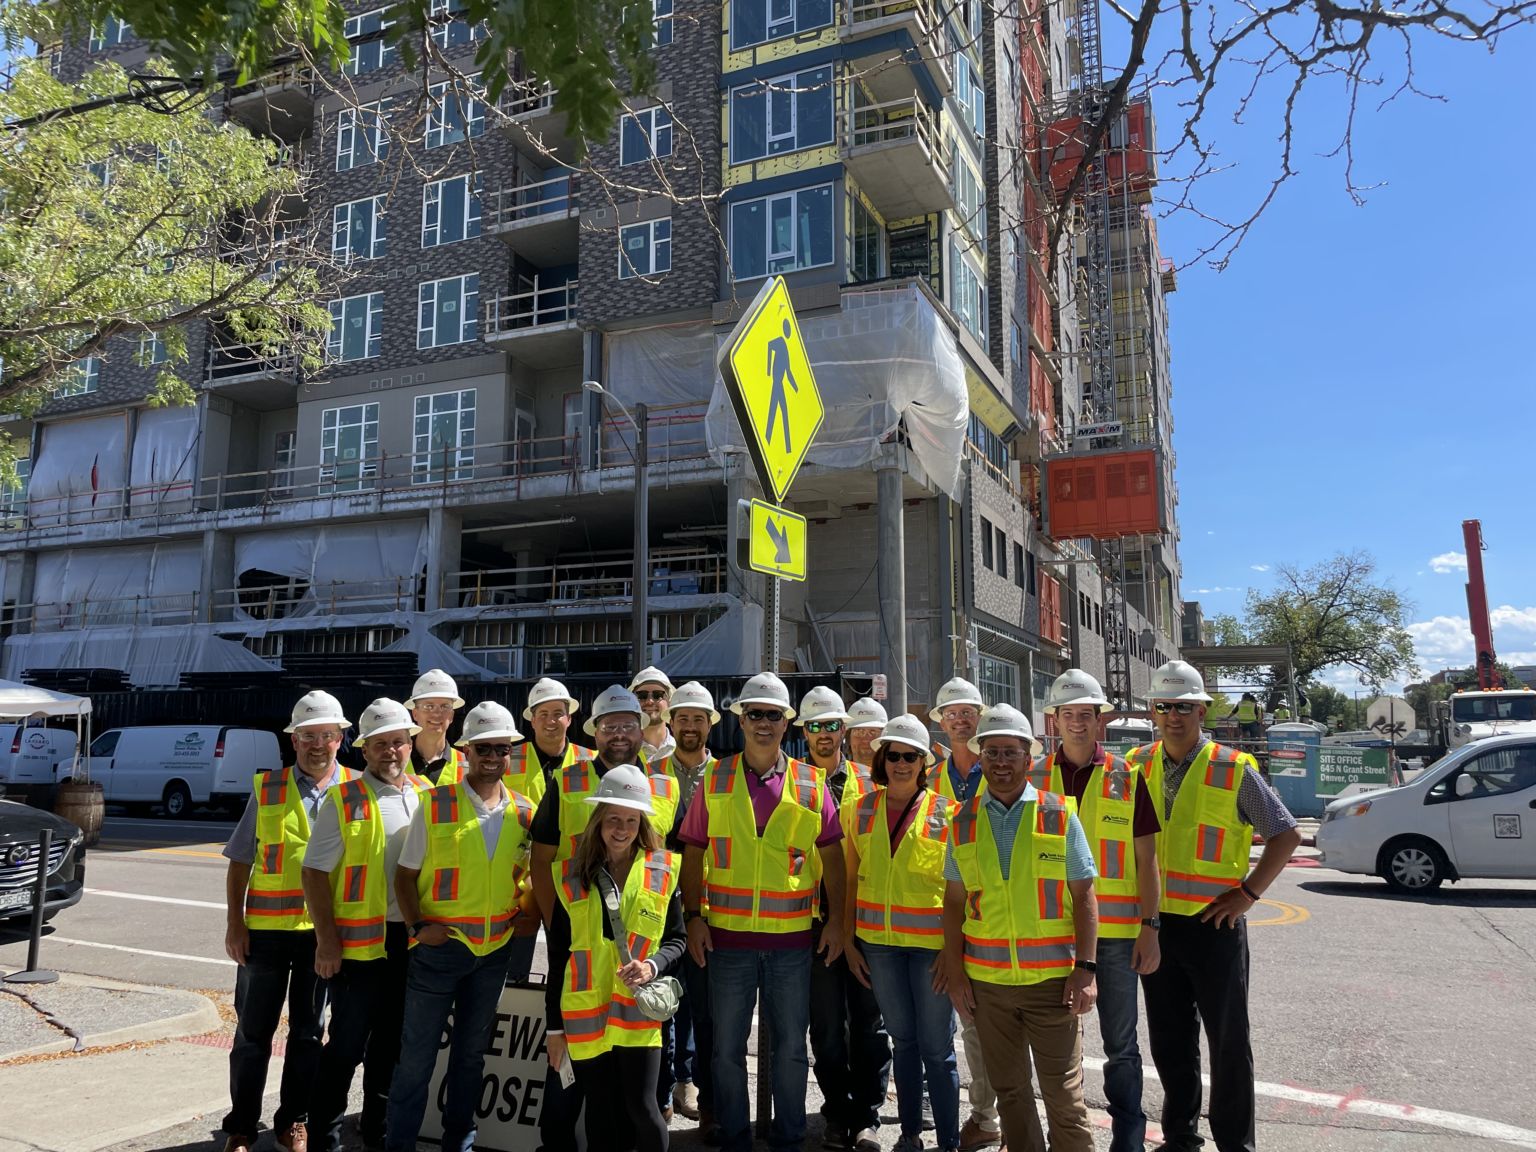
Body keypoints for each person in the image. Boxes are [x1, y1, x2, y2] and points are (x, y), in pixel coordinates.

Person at [1135, 661, 1302, 1152]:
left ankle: (1235, 1144)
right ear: (1152, 710)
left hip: (1214, 926)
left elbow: (1286, 834)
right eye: (1164, 706)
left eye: (1184, 706)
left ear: (1203, 710)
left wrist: (1248, 894)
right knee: (1169, 1040)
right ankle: (1180, 1136)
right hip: (1156, 923)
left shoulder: (1233, 769)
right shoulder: (1136, 765)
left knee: (1228, 1042)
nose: (1173, 715)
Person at [679, 672, 847, 1152]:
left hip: (793, 944)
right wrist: (694, 916)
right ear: (742, 720)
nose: (764, 723)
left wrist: (836, 921)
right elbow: (692, 852)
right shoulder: (715, 778)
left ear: (787, 724)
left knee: (793, 1050)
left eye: (773, 715)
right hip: (727, 941)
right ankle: (734, 1138)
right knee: (726, 1051)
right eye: (755, 714)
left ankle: (790, 1137)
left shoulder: (811, 783)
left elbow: (833, 858)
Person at [531, 686, 687, 1152]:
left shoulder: (661, 861)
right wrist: (554, 1028)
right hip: (585, 1005)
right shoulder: (570, 872)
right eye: (611, 820)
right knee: (596, 1107)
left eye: (631, 821)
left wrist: (654, 966)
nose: (621, 828)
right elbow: (558, 951)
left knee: (642, 1107)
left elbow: (672, 932)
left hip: (637, 1008)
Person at [942, 704, 1100, 1152]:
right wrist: (956, 974)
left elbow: (1084, 895)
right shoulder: (964, 821)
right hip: (988, 986)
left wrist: (1086, 969)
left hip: (1053, 985)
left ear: (1028, 758)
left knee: (1064, 1099)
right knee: (1011, 1095)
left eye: (1011, 752)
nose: (1001, 762)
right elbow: (953, 905)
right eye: (992, 752)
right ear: (982, 758)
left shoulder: (1058, 815)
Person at [383, 711, 540, 1152]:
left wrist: (529, 914)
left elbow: (527, 878)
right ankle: (400, 1145)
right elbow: (404, 877)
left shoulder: (526, 811)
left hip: (493, 954)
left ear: (511, 753)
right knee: (416, 1059)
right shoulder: (437, 803)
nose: (492, 756)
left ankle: (460, 1142)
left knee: (471, 1057)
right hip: (440, 951)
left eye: (501, 749)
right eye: (482, 748)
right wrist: (417, 927)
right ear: (465, 751)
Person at [221, 691, 358, 1152]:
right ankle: (241, 1126)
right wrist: (235, 924)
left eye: (326, 735)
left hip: (323, 937)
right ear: (293, 740)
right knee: (252, 1035)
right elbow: (241, 860)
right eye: (307, 736)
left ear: (341, 739)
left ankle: (292, 1121)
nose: (317, 744)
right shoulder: (269, 788)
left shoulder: (358, 789)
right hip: (264, 935)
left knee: (307, 1033)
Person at [1037, 670, 1163, 1152]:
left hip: (1113, 934)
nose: (1075, 723)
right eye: (1067, 715)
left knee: (1120, 1046)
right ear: (1055, 720)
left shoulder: (1126, 777)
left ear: (1099, 720)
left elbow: (1146, 859)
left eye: (1084, 715)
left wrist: (1150, 927)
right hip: (1049, 931)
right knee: (1053, 1046)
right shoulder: (1033, 777)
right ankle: (1061, 1135)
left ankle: (1128, 1138)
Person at [301, 700, 432, 1152]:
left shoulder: (424, 794)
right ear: (365, 750)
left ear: (411, 744)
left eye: (398, 741)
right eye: (381, 744)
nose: (391, 752)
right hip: (356, 949)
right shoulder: (345, 798)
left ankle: (376, 1133)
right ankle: (325, 1141)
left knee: (390, 1050)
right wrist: (326, 943)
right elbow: (313, 873)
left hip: (408, 942)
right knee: (344, 1051)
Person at [842, 715, 959, 1152]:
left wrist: (953, 951)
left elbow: (957, 891)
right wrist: (851, 941)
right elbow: (852, 880)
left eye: (911, 756)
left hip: (932, 950)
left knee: (937, 1048)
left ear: (924, 763)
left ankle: (948, 1141)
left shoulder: (948, 813)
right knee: (904, 1043)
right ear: (882, 760)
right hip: (879, 946)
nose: (902, 763)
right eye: (894, 755)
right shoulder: (860, 809)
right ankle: (910, 1136)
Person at [796, 686, 890, 1151]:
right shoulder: (791, 783)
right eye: (815, 726)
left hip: (864, 922)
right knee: (828, 1028)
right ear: (804, 733)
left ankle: (867, 1116)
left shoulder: (871, 785)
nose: (824, 734)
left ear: (844, 730)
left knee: (869, 1026)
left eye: (832, 725)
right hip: (813, 924)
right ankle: (837, 1113)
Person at [928, 677, 997, 1150]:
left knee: (1001, 1020)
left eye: (967, 711)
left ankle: (1004, 1116)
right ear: (941, 723)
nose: (959, 718)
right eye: (950, 713)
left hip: (994, 906)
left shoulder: (1004, 765)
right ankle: (986, 1116)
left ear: (980, 716)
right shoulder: (929, 776)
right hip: (947, 908)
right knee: (968, 1020)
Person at [654, 681, 722, 1130]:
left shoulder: (725, 775)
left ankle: (702, 1096)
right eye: (684, 718)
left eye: (699, 718)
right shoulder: (649, 772)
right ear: (671, 722)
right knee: (658, 1003)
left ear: (710, 725)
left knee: (705, 1005)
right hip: (657, 901)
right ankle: (660, 1096)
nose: (691, 726)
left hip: (707, 903)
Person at [511, 677, 595, 807]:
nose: (551, 720)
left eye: (558, 714)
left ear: (568, 719)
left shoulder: (592, 760)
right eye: (543, 714)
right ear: (533, 721)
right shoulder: (507, 759)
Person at [403, 669, 467, 784]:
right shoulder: (397, 760)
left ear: (451, 715)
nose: (437, 714)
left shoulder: (467, 765)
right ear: (415, 714)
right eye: (429, 706)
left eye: (444, 707)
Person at [631, 665, 677, 762]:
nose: (650, 701)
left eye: (658, 695)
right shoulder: (622, 752)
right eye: (642, 695)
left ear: (669, 702)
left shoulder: (682, 751)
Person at [844, 697, 888, 768]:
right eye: (859, 732)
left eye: (873, 732)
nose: (866, 739)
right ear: (849, 737)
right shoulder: (837, 777)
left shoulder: (894, 777)